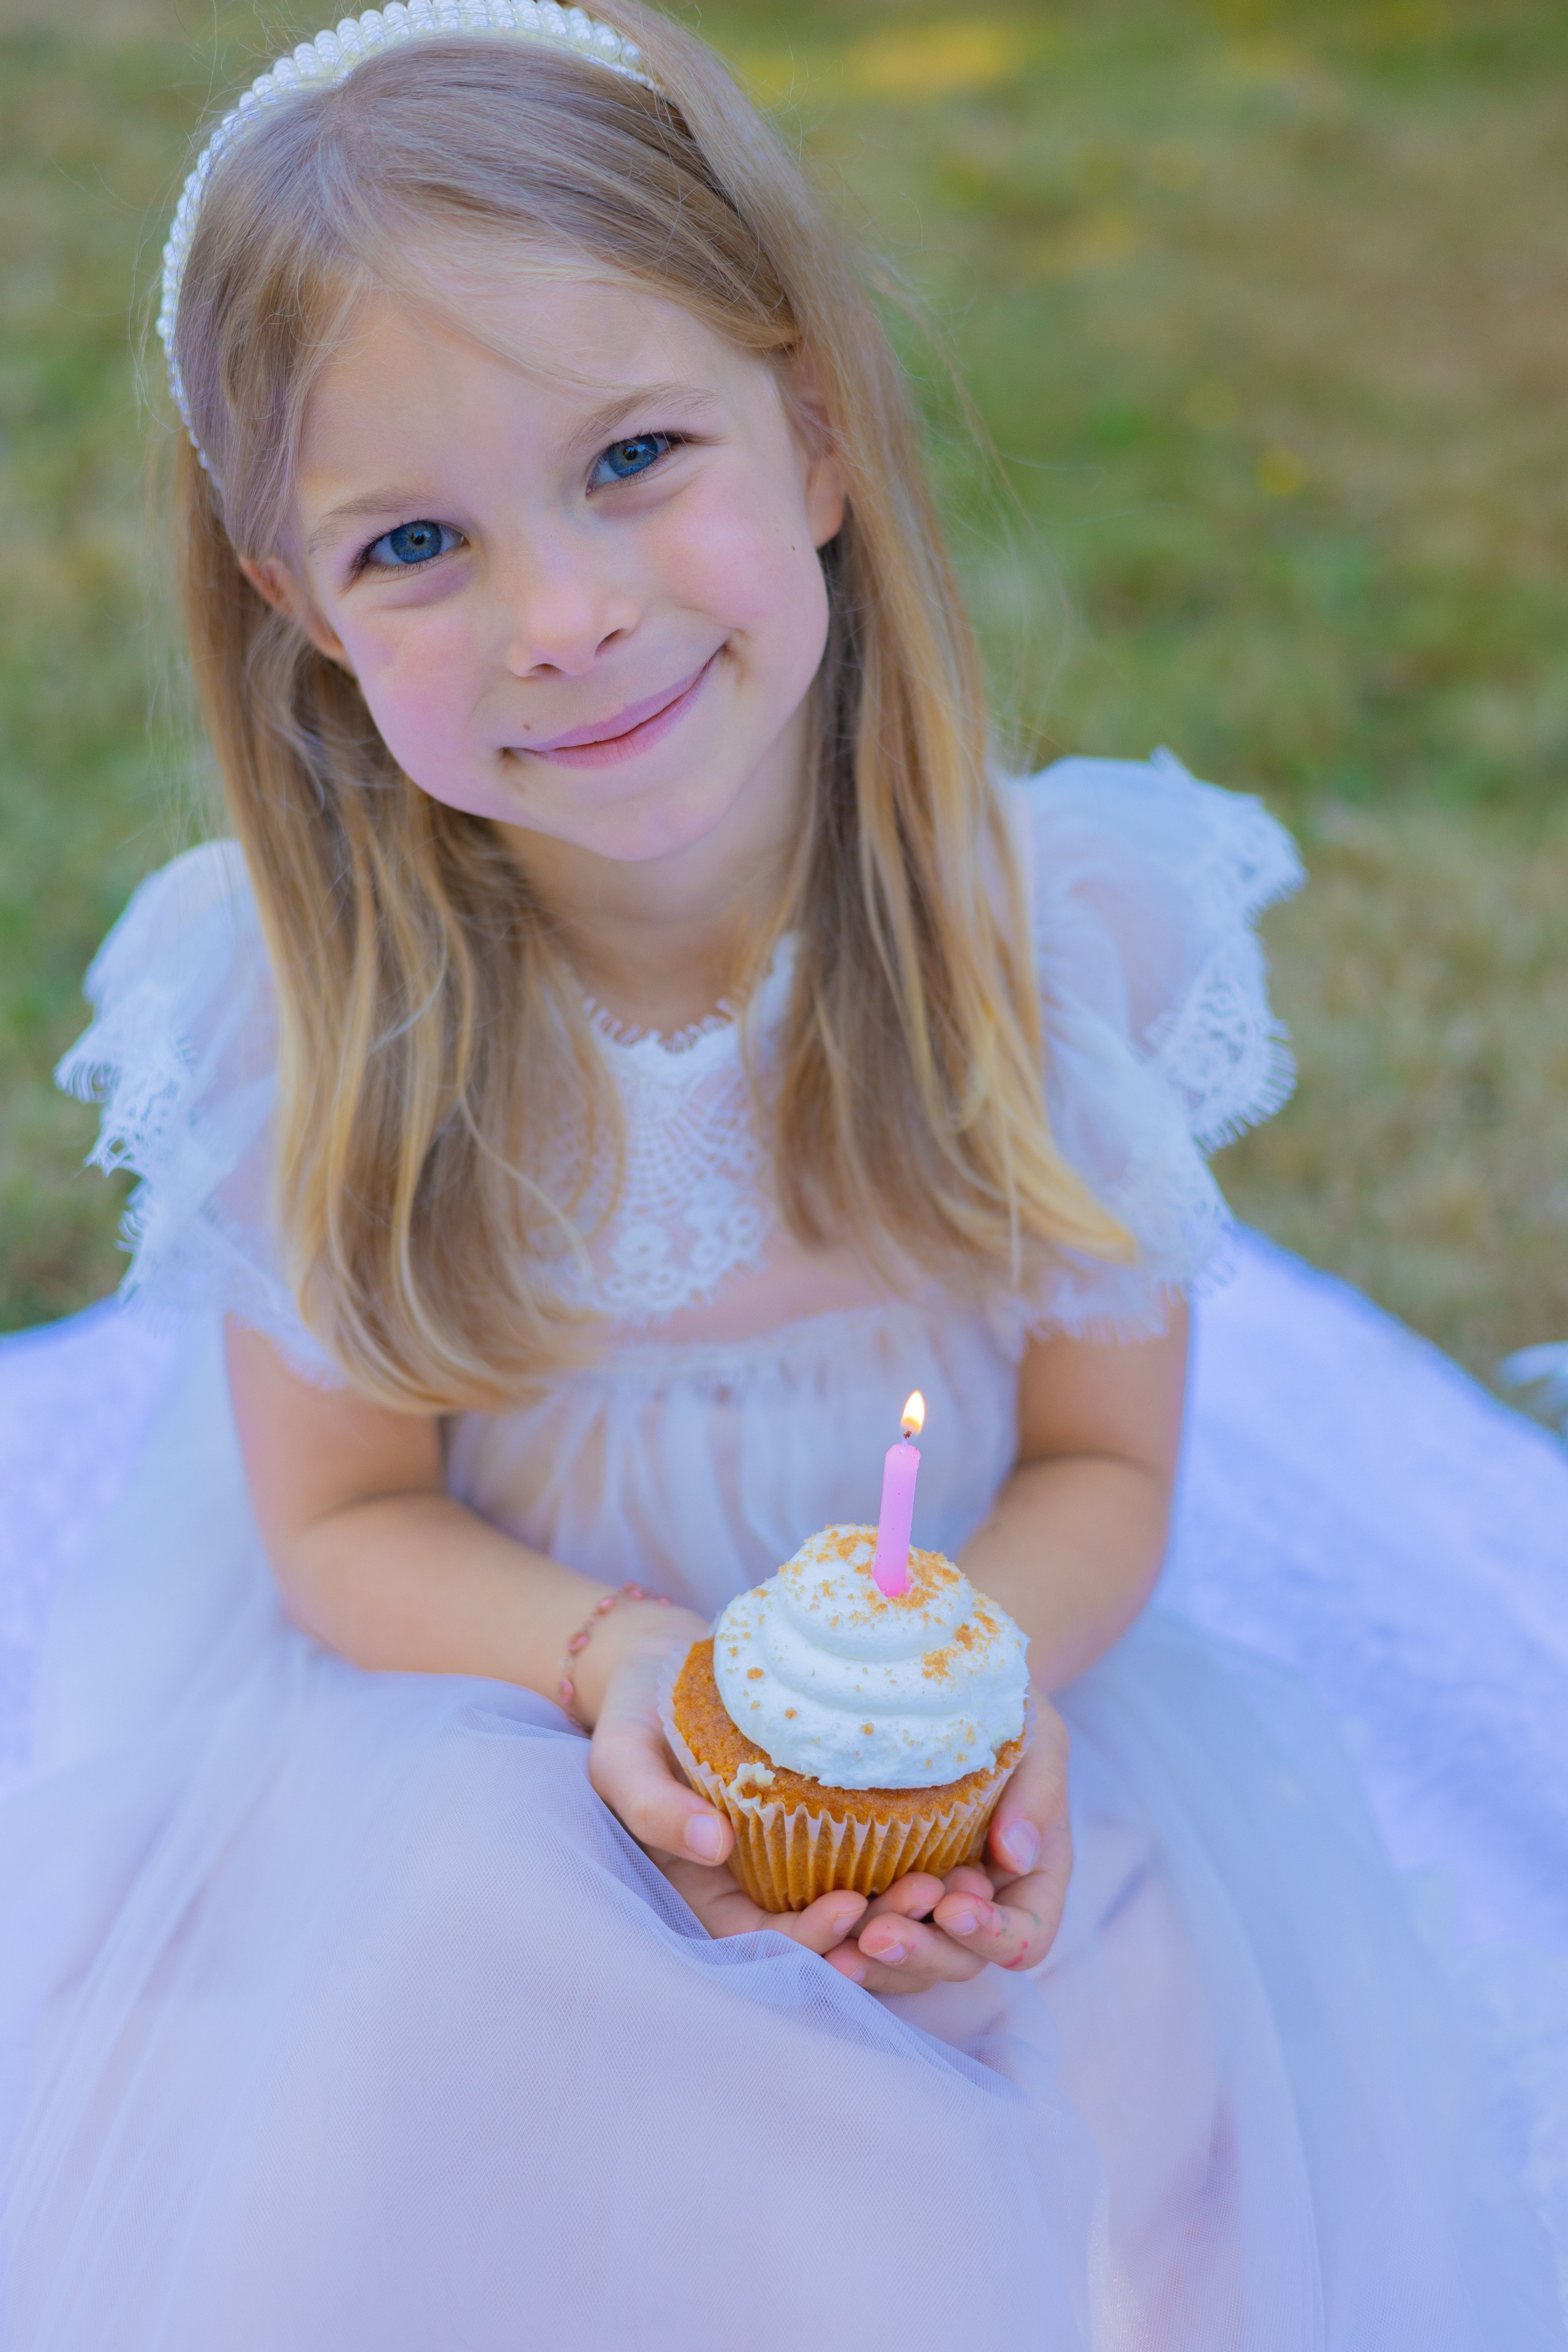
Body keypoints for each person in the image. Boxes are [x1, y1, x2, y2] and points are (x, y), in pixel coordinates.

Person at [0, 4, 1560, 2343]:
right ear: (295, 601)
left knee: (1095, 2050)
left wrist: (968, 1725)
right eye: (415, 540)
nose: (565, 613)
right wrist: (634, 1682)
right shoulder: (287, 1009)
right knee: (465, 1980)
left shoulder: (1070, 951)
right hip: (505, 1707)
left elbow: (1112, 1466)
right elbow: (340, 1522)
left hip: (967, 1713)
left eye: (635, 455)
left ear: (814, 425)